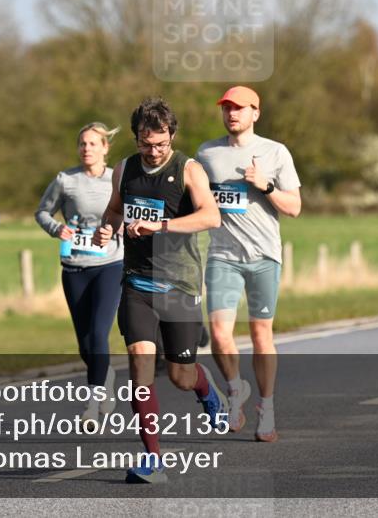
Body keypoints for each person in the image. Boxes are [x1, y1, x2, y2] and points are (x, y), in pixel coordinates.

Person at [94, 97, 226, 485]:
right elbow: (115, 210)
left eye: (160, 144)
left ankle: (205, 388)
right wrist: (108, 228)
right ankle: (154, 459)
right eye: (145, 143)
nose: (153, 152)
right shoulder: (125, 169)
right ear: (136, 138)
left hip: (179, 283)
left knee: (181, 375)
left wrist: (161, 227)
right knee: (140, 364)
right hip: (137, 281)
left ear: (172, 137)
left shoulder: (189, 170)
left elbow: (211, 216)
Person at [196, 86, 301, 443]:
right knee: (220, 334)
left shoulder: (275, 152)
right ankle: (234, 389)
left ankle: (266, 407)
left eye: (239, 108)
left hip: (264, 257)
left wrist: (266, 186)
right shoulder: (207, 153)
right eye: (226, 107)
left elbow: (294, 207)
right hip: (223, 255)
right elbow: (197, 201)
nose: (232, 113)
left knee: (260, 335)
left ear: (256, 112)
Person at [35, 123, 124, 426]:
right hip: (74, 267)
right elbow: (42, 212)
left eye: (93, 143)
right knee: (86, 344)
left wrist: (114, 228)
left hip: (110, 265)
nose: (87, 148)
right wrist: (57, 228)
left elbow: (129, 214)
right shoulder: (65, 180)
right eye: (82, 144)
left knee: (99, 333)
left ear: (105, 148)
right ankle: (105, 376)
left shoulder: (117, 179)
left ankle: (92, 403)